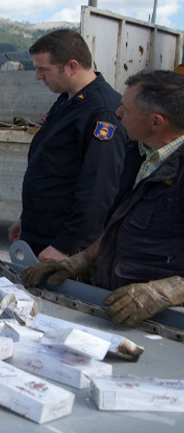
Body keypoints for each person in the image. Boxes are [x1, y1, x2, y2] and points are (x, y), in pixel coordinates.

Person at [23, 70, 184, 327]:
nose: (118, 113)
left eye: (126, 110)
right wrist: (81, 261)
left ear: (156, 122)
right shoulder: (138, 155)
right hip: (114, 306)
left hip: (165, 324)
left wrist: (164, 293)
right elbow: (120, 225)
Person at [8, 29, 129, 261]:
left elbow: (98, 189)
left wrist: (66, 245)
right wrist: (27, 219)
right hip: (42, 232)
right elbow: (52, 170)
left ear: (72, 67)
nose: (37, 76)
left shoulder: (102, 112)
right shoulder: (68, 100)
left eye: (43, 69)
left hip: (64, 245)